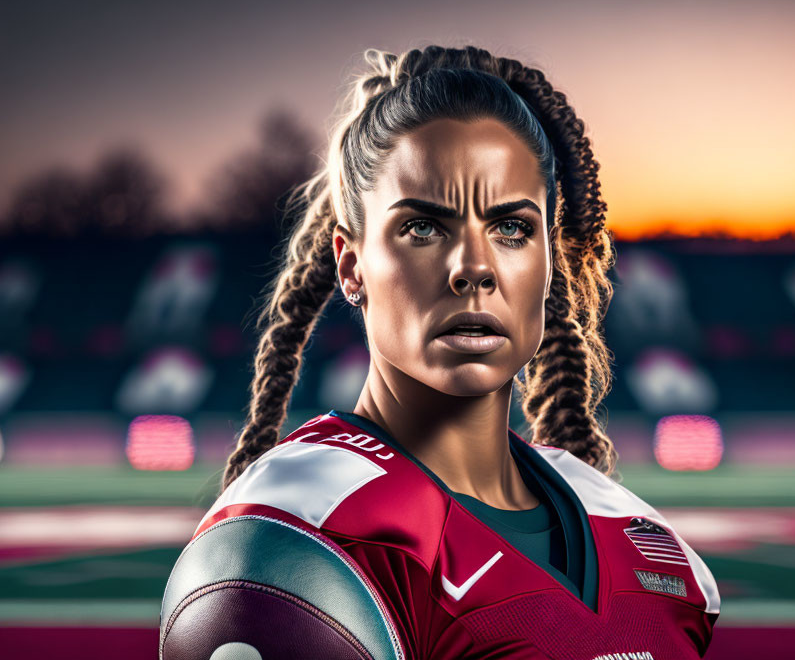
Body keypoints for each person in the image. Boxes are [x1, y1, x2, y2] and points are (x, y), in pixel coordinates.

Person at [159, 44, 720, 660]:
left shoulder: (649, 547)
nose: (474, 267)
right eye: (423, 228)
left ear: (549, 262)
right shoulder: (296, 538)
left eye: (512, 229)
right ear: (352, 266)